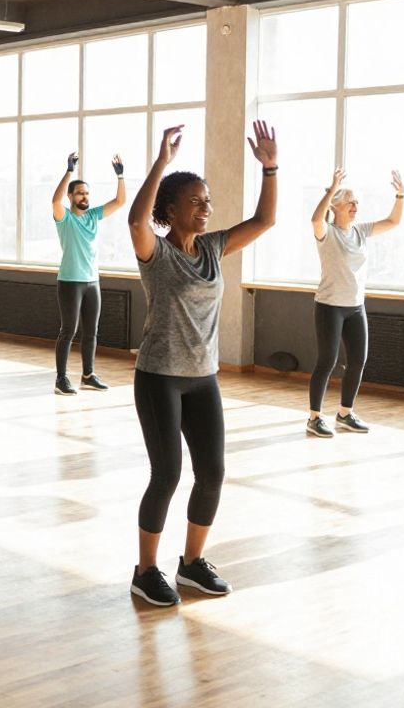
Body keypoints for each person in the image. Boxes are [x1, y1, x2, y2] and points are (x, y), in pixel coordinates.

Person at [127, 121, 278, 606]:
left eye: (207, 199)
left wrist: (270, 168)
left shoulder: (213, 248)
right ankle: (145, 570)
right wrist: (161, 163)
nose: (206, 206)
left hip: (202, 379)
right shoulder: (157, 254)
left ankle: (191, 564)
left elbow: (264, 221)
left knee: (212, 472)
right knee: (167, 474)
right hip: (159, 378)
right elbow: (135, 223)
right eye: (196, 200)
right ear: (170, 210)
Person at [305, 168, 404, 437]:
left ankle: (345, 413)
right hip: (329, 306)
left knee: (358, 360)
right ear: (336, 205)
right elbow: (315, 218)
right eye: (350, 202)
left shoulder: (361, 232)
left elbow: (393, 221)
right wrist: (332, 188)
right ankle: (314, 417)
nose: (355, 207)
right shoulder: (326, 232)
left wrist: (400, 194)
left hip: (355, 307)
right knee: (327, 361)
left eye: (357, 203)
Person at [51, 151, 127, 395]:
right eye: (80, 193)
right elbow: (55, 201)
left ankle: (88, 375)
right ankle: (61, 379)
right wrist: (69, 172)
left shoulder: (94, 216)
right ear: (71, 196)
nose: (85, 196)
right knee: (68, 331)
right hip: (70, 281)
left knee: (91, 331)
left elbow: (120, 202)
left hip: (92, 281)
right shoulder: (64, 217)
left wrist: (121, 176)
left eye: (87, 193)